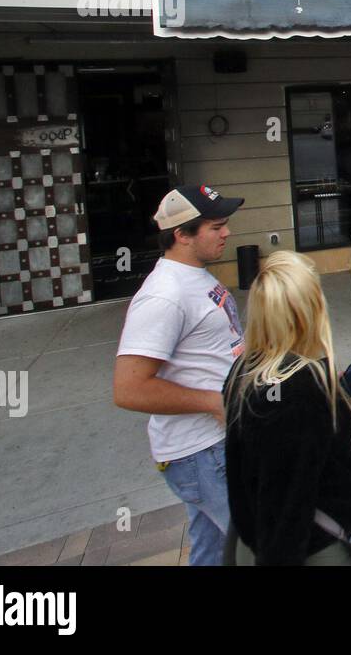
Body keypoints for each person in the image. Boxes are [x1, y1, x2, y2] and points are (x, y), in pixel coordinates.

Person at [223, 250, 351, 565]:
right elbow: (288, 505)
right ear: (309, 311)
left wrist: (338, 405)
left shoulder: (243, 372)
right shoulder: (301, 391)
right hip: (314, 550)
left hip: (254, 539)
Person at [113, 184, 245, 566]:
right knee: (263, 545)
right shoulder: (163, 296)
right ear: (182, 235)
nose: (226, 233)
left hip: (213, 446)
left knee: (213, 551)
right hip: (202, 453)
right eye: (215, 227)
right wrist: (214, 402)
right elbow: (129, 389)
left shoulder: (196, 277)